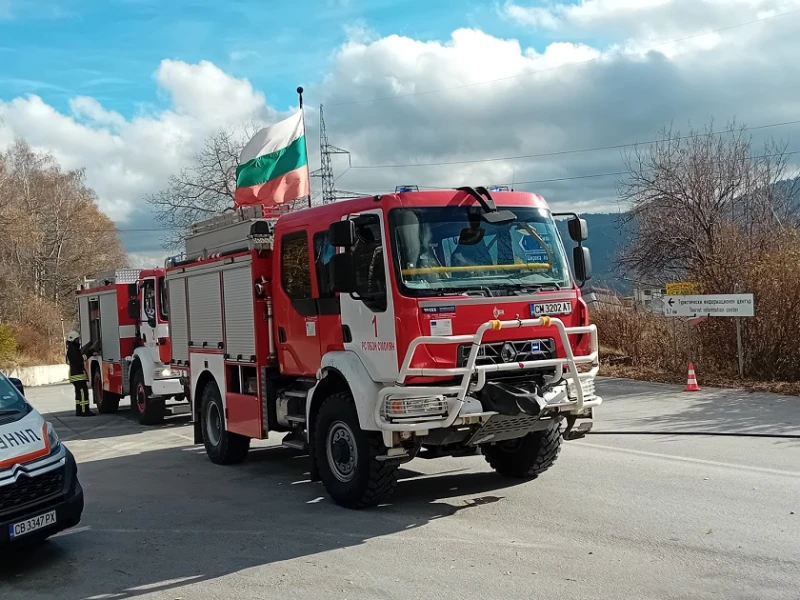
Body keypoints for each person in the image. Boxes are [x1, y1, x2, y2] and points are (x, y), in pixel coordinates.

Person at [65, 331, 100, 417]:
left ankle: (79, 410)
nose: (78, 341)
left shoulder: (71, 349)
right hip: (78, 376)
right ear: (73, 339)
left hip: (75, 375)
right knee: (83, 393)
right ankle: (85, 411)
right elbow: (79, 360)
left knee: (78, 394)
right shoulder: (73, 349)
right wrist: (89, 353)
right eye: (77, 340)